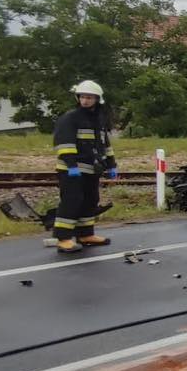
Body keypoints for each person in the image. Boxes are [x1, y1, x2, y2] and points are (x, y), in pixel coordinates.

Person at [52, 80, 118, 254]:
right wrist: (71, 165)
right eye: (82, 97)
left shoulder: (98, 119)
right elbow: (64, 144)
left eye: (89, 97)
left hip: (91, 169)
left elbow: (104, 144)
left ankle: (86, 234)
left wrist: (111, 164)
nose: (85, 100)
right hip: (71, 169)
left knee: (90, 200)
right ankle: (63, 239)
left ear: (97, 99)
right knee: (72, 201)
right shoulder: (70, 118)